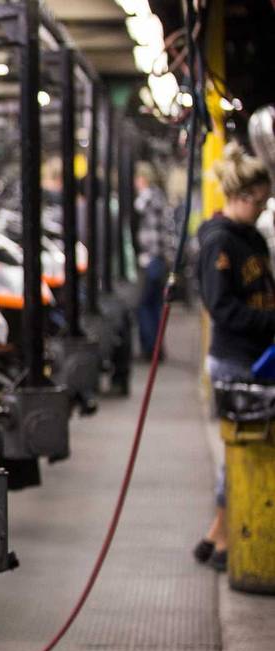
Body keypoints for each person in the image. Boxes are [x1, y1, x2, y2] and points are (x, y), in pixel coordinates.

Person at [194, 142, 275, 571]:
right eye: (259, 202)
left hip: (257, 357)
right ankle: (226, 538)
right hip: (235, 359)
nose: (262, 210)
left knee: (246, 451)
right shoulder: (219, 242)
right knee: (240, 452)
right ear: (240, 197)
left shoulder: (252, 237)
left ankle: (219, 535)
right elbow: (220, 307)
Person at [134, 162, 177, 359]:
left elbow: (136, 207)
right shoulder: (159, 196)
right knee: (156, 305)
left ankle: (151, 348)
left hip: (151, 258)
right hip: (160, 259)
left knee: (144, 304)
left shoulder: (147, 197)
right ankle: (158, 347)